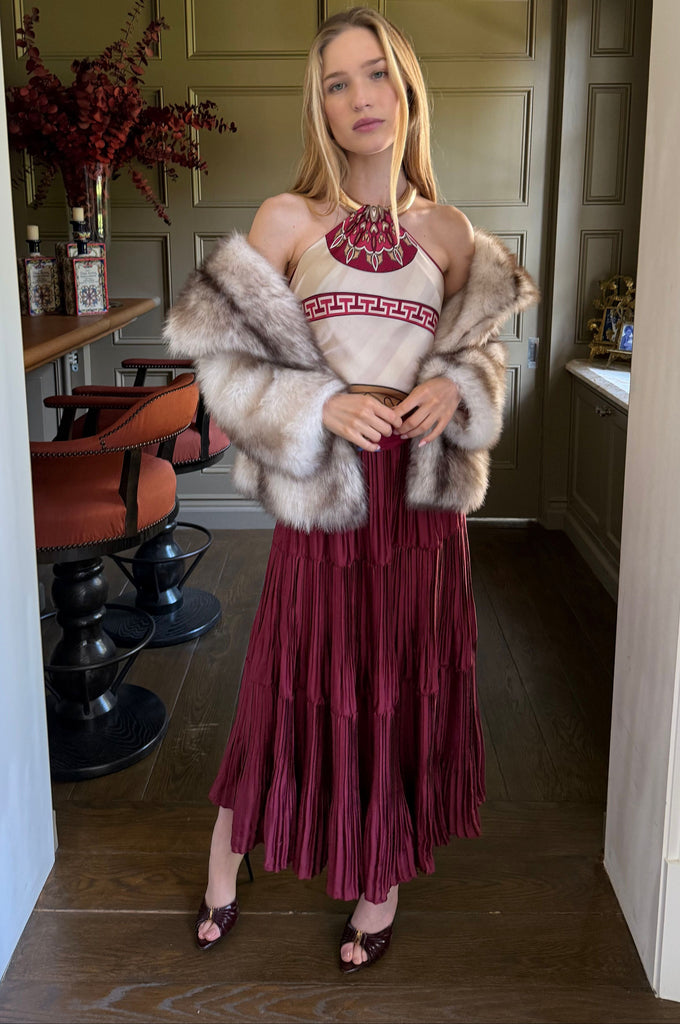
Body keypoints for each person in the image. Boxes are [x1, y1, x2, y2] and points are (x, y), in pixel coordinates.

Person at [164, 5, 538, 973]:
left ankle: (378, 879)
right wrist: (319, 406)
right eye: (336, 82)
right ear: (318, 105)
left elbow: (484, 356)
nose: (359, 97)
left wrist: (452, 386)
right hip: (324, 494)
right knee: (289, 676)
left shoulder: (450, 233)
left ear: (405, 89)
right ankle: (229, 851)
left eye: (374, 75)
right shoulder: (287, 222)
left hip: (414, 506)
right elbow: (224, 363)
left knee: (394, 685)